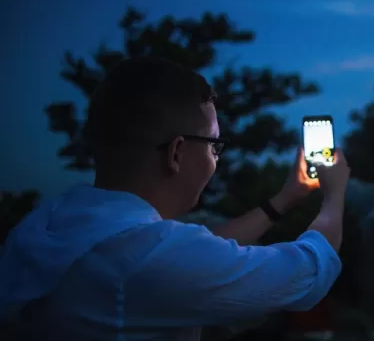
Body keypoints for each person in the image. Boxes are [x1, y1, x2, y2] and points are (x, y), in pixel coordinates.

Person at [0, 57, 350, 340]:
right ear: (177, 153)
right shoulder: (143, 259)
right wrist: (334, 194)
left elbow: (203, 248)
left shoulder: (49, 223)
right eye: (214, 145)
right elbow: (307, 271)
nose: (216, 157)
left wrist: (286, 198)